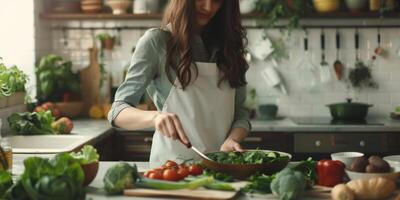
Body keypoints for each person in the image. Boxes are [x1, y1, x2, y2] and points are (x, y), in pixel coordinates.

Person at [108, 0, 250, 167]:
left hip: (222, 169)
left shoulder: (230, 51)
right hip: (172, 170)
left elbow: (241, 115)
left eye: (217, 0)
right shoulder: (156, 41)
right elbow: (117, 111)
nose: (208, 6)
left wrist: (232, 140)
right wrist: (155, 117)